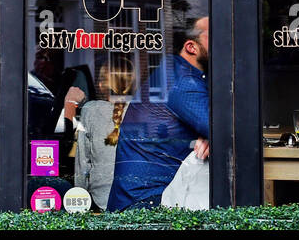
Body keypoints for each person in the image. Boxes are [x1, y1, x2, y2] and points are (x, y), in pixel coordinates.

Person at [107, 17, 211, 211]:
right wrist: (215, 135)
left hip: (140, 198)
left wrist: (211, 135)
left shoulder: (175, 72)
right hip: (145, 204)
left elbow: (217, 128)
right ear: (191, 47)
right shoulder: (183, 81)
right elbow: (227, 130)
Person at [73, 57, 136, 210]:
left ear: (101, 85)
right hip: (134, 199)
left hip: (99, 199)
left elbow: (82, 164)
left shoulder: (91, 110)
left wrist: (78, 198)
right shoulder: (141, 111)